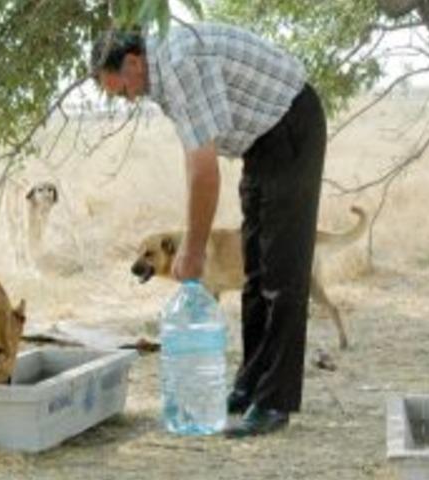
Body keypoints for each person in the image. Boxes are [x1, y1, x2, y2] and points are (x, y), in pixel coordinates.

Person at [90, 23, 326, 438]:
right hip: (261, 143)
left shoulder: (179, 64)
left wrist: (193, 249)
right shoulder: (162, 75)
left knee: (282, 275)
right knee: (255, 272)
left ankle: (275, 401)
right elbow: (194, 156)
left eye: (122, 90)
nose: (127, 99)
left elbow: (204, 172)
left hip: (291, 126)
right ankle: (249, 386)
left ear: (133, 62)